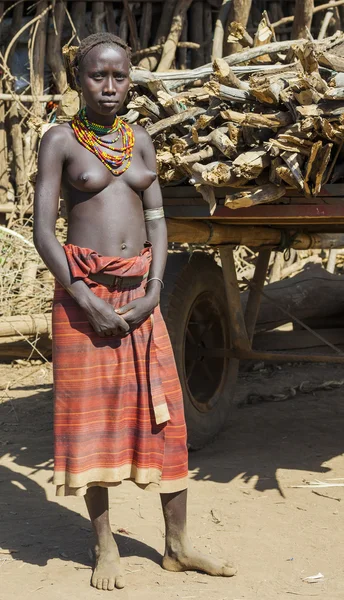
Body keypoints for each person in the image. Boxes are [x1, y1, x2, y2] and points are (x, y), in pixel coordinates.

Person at [33, 32, 236, 592]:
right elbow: (42, 232)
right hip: (85, 297)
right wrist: (84, 297)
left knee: (166, 414)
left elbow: (157, 223)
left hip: (141, 298)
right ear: (79, 79)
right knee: (91, 421)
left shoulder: (140, 141)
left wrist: (153, 288)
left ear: (130, 79)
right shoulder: (60, 142)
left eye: (120, 76)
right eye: (98, 75)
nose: (110, 86)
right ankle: (104, 545)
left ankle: (178, 546)